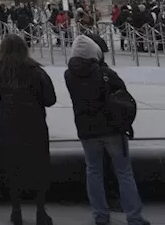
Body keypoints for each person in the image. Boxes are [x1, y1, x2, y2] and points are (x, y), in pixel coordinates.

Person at [65, 34, 148, 225]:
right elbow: (123, 94)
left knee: (93, 171)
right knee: (124, 173)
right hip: (112, 129)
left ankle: (100, 215)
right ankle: (134, 217)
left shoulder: (69, 75)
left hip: (86, 130)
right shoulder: (105, 73)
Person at [0, 34, 56, 225]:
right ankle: (40, 209)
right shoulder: (35, 70)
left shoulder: (0, 69)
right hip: (33, 121)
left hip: (7, 121)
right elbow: (50, 99)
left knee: (11, 163)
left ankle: (16, 209)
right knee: (38, 163)